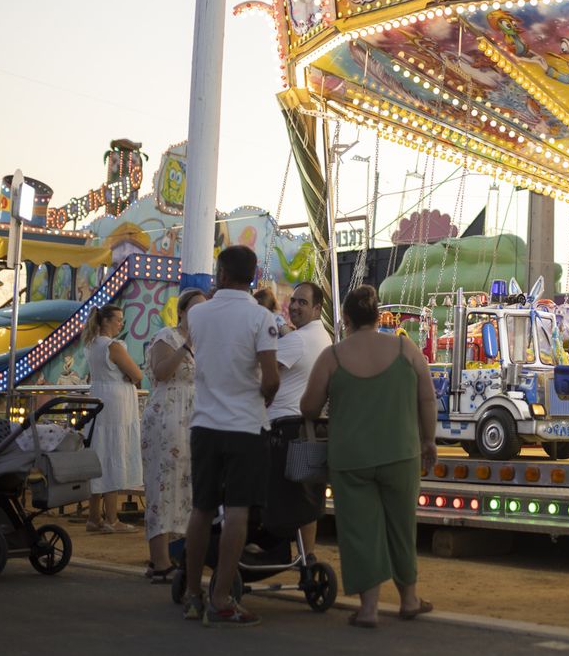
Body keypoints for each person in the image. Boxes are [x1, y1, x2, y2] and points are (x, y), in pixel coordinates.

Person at [301, 284, 436, 628]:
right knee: (402, 527)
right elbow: (427, 398)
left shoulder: (332, 357)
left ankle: (369, 609)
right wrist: (429, 441)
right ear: (379, 317)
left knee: (359, 531)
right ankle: (409, 599)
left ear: (345, 318)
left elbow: (310, 406)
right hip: (400, 454)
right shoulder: (407, 349)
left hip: (351, 459)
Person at [183, 247, 280, 628]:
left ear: (221, 274)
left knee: (201, 509)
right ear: (254, 275)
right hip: (245, 425)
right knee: (237, 509)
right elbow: (271, 378)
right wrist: (260, 397)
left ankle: (192, 594)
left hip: (204, 424)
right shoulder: (262, 318)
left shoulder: (198, 313)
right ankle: (221, 597)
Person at [140, 288, 204, 581]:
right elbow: (161, 372)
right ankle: (159, 561)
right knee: (162, 484)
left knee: (187, 487)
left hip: (194, 418)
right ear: (182, 311)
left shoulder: (209, 342)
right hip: (167, 415)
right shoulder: (167, 336)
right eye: (195, 309)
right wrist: (187, 346)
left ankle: (179, 556)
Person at [268, 281, 332, 562]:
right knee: (308, 496)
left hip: (284, 429)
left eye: (302, 302)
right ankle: (308, 556)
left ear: (317, 308)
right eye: (293, 300)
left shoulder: (297, 340)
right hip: (310, 427)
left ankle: (272, 551)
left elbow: (265, 377)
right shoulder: (323, 337)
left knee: (280, 496)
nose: (294, 306)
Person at [83, 305, 143, 533]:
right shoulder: (113, 346)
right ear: (106, 321)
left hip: (99, 396)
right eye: (118, 320)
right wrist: (129, 376)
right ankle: (112, 518)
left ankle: (94, 517)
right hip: (116, 402)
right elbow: (137, 374)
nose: (121, 324)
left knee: (100, 453)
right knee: (113, 453)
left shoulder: (91, 345)